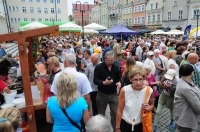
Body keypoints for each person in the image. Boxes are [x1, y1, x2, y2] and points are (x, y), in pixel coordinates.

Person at [116, 66, 154, 132]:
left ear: (144, 79)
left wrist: (149, 107)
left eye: (140, 79)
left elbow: (152, 105)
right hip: (125, 124)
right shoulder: (124, 90)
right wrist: (117, 128)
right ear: (130, 79)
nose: (138, 82)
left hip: (141, 125)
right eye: (136, 79)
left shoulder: (149, 90)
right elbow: (119, 110)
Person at [94, 51, 121, 128]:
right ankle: (101, 129)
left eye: (112, 60)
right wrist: (103, 82)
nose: (110, 62)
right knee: (101, 114)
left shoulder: (116, 67)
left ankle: (114, 128)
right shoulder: (99, 67)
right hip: (102, 94)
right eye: (108, 60)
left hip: (113, 94)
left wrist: (119, 83)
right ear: (105, 59)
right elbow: (95, 80)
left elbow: (119, 78)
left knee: (115, 113)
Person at [174, 64, 200, 132]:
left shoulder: (182, 80)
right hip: (185, 119)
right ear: (192, 73)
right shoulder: (186, 88)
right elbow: (198, 107)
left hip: (182, 117)